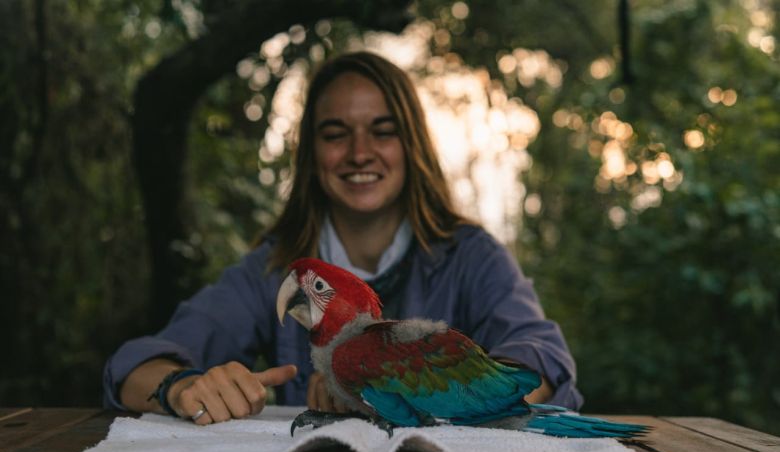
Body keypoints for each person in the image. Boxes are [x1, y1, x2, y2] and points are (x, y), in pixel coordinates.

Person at [104, 51, 583, 425]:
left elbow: (541, 359)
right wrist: (183, 388)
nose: (359, 153)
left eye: (383, 131)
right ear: (311, 154)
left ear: (411, 145)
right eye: (336, 134)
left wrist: (449, 392)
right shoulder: (276, 270)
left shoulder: (471, 257)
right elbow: (134, 367)